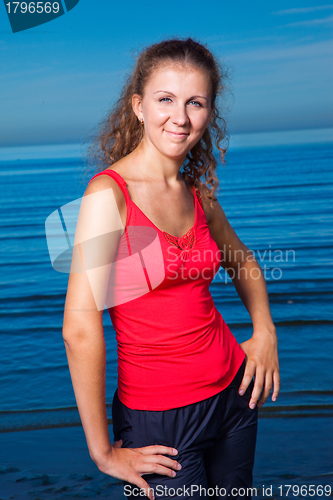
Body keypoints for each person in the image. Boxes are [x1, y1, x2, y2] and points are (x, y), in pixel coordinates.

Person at [62, 37, 280, 500]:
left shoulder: (196, 194)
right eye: (165, 100)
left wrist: (264, 332)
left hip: (235, 399)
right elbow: (79, 327)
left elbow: (243, 260)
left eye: (195, 103)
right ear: (139, 106)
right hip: (159, 421)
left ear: (209, 112)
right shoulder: (109, 195)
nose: (179, 118)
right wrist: (101, 451)